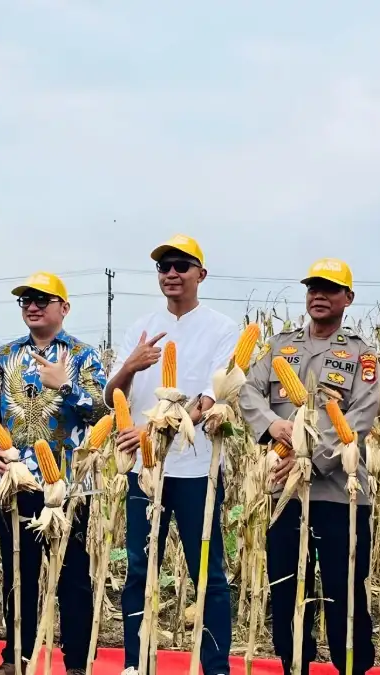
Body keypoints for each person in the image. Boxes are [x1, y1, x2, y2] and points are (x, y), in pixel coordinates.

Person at [237, 259, 379, 675]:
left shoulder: (361, 355)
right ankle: (293, 662)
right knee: (286, 585)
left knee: (344, 589)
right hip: (284, 495)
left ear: (347, 299)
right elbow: (248, 391)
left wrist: (306, 462)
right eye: (313, 288)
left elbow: (361, 418)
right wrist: (271, 425)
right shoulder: (281, 346)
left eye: (330, 289)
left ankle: (350, 666)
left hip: (340, 493)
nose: (319, 295)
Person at [106, 235, 238, 675]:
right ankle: (136, 663)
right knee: (141, 570)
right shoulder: (140, 327)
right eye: (164, 267)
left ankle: (215, 666)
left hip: (198, 469)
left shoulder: (222, 329)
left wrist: (154, 428)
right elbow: (112, 397)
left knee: (210, 575)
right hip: (145, 471)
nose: (172, 274)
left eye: (182, 265)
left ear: (201, 273)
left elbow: (209, 399)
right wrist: (130, 365)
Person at [0, 272, 107, 675]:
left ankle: (77, 664)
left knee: (73, 578)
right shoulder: (4, 355)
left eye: (42, 300)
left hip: (70, 484)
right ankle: (18, 658)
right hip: (16, 484)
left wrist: (65, 386)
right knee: (20, 573)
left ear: (63, 308)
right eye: (26, 300)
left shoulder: (83, 355)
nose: (32, 306)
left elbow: (103, 412)